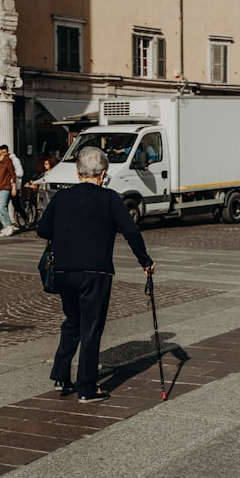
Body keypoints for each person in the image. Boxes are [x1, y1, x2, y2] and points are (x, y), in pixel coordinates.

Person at [38, 146, 155, 403]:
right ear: (102, 174)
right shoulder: (110, 198)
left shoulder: (61, 197)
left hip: (64, 271)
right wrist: (144, 260)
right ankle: (87, 388)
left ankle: (60, 374)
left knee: (72, 321)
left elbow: (43, 230)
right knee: (91, 327)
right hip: (95, 271)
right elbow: (131, 231)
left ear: (79, 172)